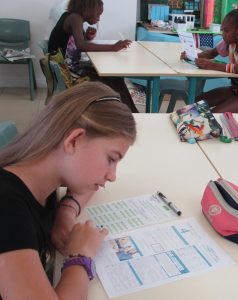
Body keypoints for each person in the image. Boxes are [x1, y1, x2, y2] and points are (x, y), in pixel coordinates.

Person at [0, 81, 137, 299]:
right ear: (74, 141)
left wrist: (65, 212)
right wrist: (80, 255)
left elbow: (86, 187)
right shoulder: (7, 209)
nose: (112, 175)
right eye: (111, 159)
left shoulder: (43, 172)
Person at [48, 0, 138, 113]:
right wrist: (113, 47)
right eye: (98, 14)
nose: (99, 18)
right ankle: (129, 113)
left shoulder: (70, 16)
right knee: (114, 80)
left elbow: (76, 43)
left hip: (67, 68)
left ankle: (129, 112)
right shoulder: (75, 18)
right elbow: (81, 46)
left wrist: (87, 36)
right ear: (89, 10)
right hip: (70, 74)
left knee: (116, 78)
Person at [182, 2, 238, 113]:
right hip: (237, 90)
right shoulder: (230, 41)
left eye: (226, 31)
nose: (223, 34)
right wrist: (191, 55)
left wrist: (213, 65)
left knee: (216, 113)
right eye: (223, 30)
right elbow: (212, 53)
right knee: (195, 104)